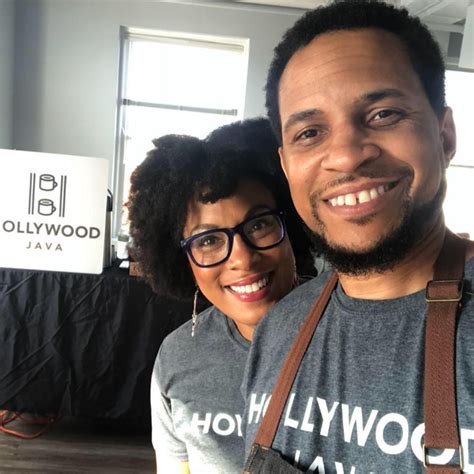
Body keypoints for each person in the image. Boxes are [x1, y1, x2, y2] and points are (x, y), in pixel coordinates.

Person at [242, 2, 474, 472]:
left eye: (384, 114)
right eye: (310, 132)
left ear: (445, 136)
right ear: (287, 166)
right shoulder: (277, 330)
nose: (346, 156)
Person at [126, 118, 316, 473]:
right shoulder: (178, 357)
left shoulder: (351, 339)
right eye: (209, 240)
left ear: (291, 225)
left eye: (259, 224)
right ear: (182, 259)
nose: (242, 258)